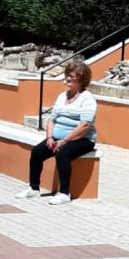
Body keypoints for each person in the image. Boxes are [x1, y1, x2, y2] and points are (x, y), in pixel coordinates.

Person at [16, 59, 97, 204]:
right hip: (58, 137)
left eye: (72, 76)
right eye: (67, 75)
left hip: (82, 139)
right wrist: (49, 138)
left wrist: (65, 141)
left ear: (82, 79)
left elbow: (84, 125)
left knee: (63, 152)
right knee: (37, 152)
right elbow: (52, 119)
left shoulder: (88, 98)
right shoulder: (62, 96)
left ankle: (64, 193)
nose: (68, 78)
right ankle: (34, 189)